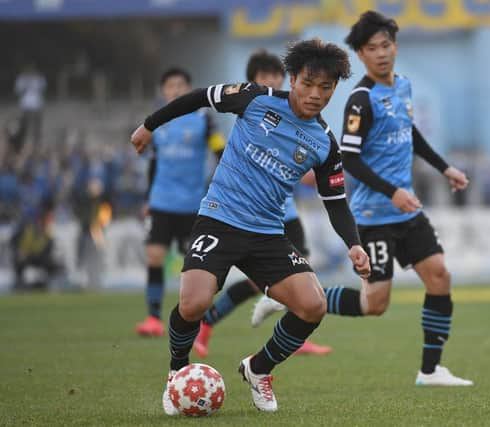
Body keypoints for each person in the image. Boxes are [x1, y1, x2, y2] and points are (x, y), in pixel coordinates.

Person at [130, 38, 370, 413]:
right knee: (193, 304)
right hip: (219, 218)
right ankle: (177, 371)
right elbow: (198, 98)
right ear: (293, 79)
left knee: (312, 305)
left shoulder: (325, 143)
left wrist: (353, 244)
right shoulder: (255, 98)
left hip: (268, 233)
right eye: (308, 84)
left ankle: (259, 369)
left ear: (335, 89)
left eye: (326, 88)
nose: (315, 95)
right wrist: (149, 126)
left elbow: (336, 203)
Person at [255, 11, 472, 386]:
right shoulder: (360, 100)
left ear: (395, 47)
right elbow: (350, 158)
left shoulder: (402, 86)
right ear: (360, 55)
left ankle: (431, 369)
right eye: (372, 48)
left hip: (406, 212)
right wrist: (393, 191)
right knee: (376, 305)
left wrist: (444, 168)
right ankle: (291, 298)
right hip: (374, 215)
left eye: (386, 45)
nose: (381, 53)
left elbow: (410, 133)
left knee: (439, 275)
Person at [193, 49, 332, 357]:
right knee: (263, 283)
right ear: (253, 81)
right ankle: (207, 322)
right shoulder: (251, 113)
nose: (271, 81)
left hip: (286, 214)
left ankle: (295, 336)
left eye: (276, 76)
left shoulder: (303, 120)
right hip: (242, 216)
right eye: (264, 77)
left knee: (301, 280)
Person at [134, 68, 224, 337]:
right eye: (170, 86)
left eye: (181, 85)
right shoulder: (157, 122)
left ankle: (193, 317)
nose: (175, 90)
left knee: (195, 264)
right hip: (162, 201)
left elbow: (220, 151)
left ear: (189, 88)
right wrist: (150, 197)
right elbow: (153, 161)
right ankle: (153, 318)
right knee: (155, 256)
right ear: (163, 91)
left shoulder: (204, 119)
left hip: (194, 203)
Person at [14, 64, 46, 147]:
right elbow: (18, 91)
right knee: (24, 126)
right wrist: (26, 83)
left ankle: (37, 144)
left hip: (37, 105)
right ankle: (21, 143)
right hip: (26, 105)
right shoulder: (21, 79)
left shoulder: (39, 78)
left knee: (37, 127)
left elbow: (43, 88)